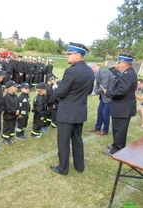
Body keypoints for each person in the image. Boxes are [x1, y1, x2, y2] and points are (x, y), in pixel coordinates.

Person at [50, 42, 94, 175]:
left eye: (69, 54)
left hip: (67, 113)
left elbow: (60, 93)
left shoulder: (71, 71)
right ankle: (79, 166)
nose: (66, 56)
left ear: (78, 55)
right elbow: (89, 91)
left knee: (63, 141)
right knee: (77, 139)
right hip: (79, 112)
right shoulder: (89, 71)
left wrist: (55, 89)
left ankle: (63, 168)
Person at [102, 54, 137, 156]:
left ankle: (117, 150)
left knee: (119, 129)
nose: (118, 64)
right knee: (118, 129)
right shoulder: (127, 73)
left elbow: (121, 91)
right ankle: (116, 145)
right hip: (122, 107)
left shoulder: (128, 74)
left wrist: (108, 93)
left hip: (122, 108)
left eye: (119, 62)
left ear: (125, 63)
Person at [87, 62, 114, 136]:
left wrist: (93, 93)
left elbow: (104, 87)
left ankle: (105, 130)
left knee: (105, 113)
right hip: (103, 97)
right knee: (100, 111)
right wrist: (93, 91)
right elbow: (98, 85)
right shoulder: (98, 73)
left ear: (94, 67)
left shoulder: (103, 72)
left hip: (108, 96)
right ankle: (97, 127)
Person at [1, 80, 19, 145]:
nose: (16, 88)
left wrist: (17, 110)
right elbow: (8, 107)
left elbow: (18, 104)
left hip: (14, 116)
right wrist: (14, 111)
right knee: (7, 127)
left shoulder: (16, 96)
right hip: (8, 116)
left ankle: (10, 137)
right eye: (15, 87)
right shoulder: (6, 97)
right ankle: (5, 138)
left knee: (13, 126)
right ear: (10, 88)